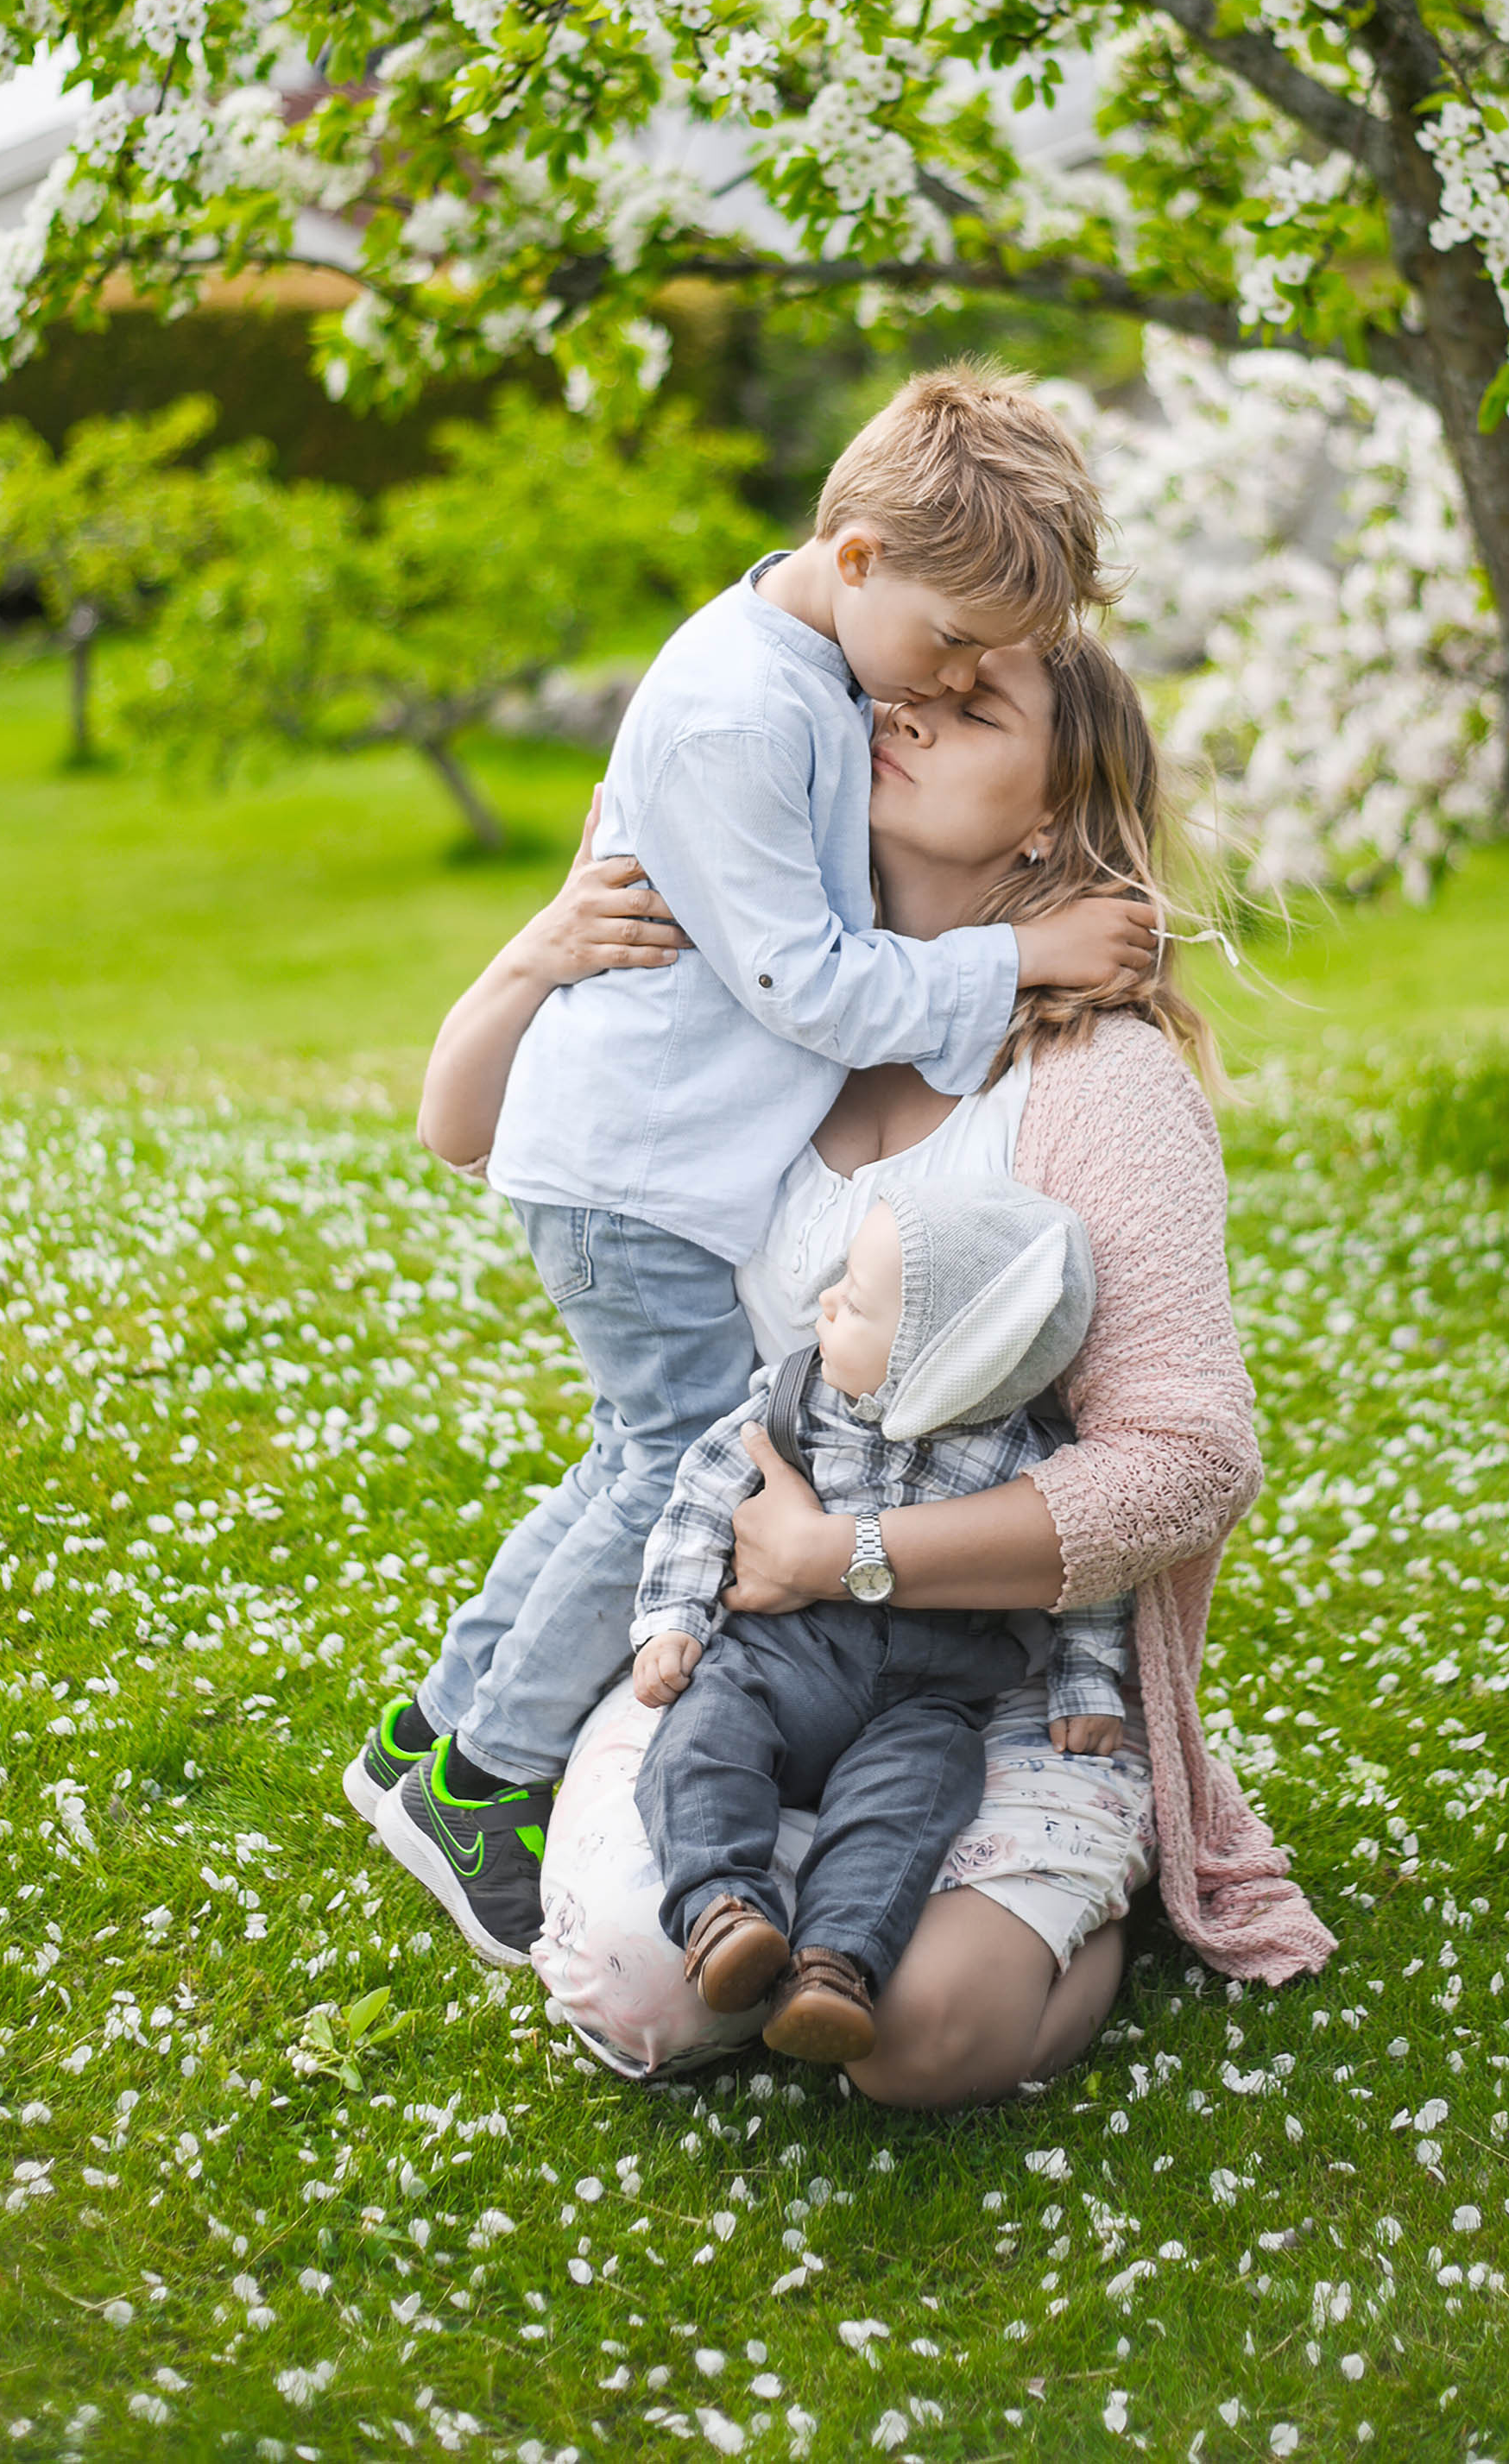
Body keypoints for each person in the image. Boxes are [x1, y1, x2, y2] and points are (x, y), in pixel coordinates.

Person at [426, 627, 1334, 2102]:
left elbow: (1192, 1460)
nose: (905, 709)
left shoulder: (1095, 1078)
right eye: (899, 688)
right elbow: (475, 1133)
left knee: (917, 2040)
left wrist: (849, 1553)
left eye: (974, 707)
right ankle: (776, 1882)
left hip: (999, 1674)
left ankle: (1078, 1883)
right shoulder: (776, 1002)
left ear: (1054, 809)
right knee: (639, 1992)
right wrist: (542, 942)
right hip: (751, 1652)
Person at [352, 369, 1158, 1963]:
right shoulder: (742, 707)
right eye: (947, 644)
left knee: (621, 1451)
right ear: (855, 557)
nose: (934, 687)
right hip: (634, 1174)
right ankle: (491, 1772)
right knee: (670, 1466)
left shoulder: (807, 669)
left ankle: (428, 1732)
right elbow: (813, 982)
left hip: (645, 1161)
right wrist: (1025, 953)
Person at [629, 1178, 1126, 2063]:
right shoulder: (795, 1400)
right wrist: (671, 1618)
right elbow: (703, 1495)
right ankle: (721, 1911)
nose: (823, 1300)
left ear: (941, 1361)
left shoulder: (1027, 1455)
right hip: (784, 1657)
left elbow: (1082, 1569)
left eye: (853, 1300)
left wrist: (1083, 1678)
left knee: (917, 1792)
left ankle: (833, 1965)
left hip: (931, 1693)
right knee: (703, 1731)